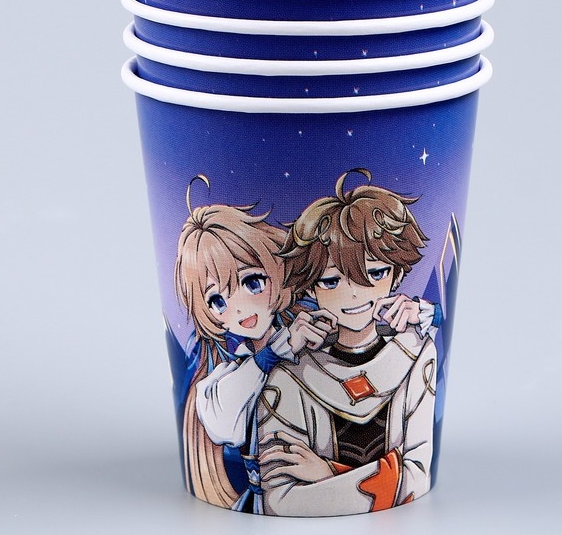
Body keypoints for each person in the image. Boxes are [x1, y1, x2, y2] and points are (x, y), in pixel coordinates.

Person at [256, 169, 440, 516]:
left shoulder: (416, 356)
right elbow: (279, 500)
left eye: (374, 273)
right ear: (310, 288)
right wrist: (385, 479)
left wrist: (330, 472)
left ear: (397, 275)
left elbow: (419, 474)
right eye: (331, 281)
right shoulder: (290, 377)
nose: (354, 294)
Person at [175, 176, 336, 513]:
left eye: (252, 282)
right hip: (262, 503)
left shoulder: (308, 331)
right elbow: (223, 424)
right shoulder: (225, 371)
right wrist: (271, 355)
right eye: (217, 301)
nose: (239, 309)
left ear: (276, 272)